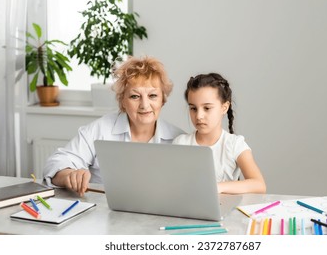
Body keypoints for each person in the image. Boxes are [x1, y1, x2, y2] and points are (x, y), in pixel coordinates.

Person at [43, 56, 185, 196]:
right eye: (135, 96)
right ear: (122, 100)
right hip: (103, 213)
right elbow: (56, 163)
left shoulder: (179, 138)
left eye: (153, 95)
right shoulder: (101, 129)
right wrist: (70, 175)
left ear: (163, 100)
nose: (144, 105)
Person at [173, 73, 266, 194]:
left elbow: (259, 185)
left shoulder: (235, 144)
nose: (199, 116)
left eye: (207, 108)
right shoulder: (181, 143)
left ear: (224, 107)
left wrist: (219, 187)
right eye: (193, 108)